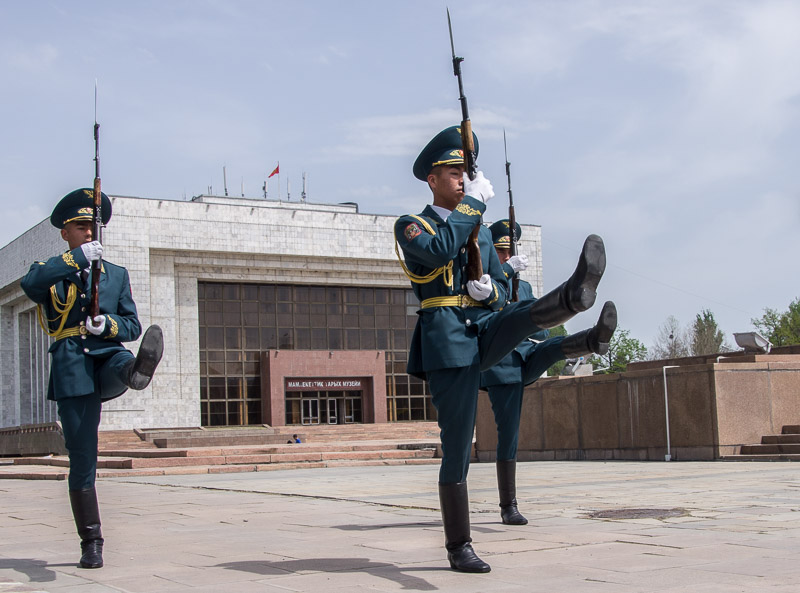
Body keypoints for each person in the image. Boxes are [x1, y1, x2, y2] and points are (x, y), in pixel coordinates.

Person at [394, 126, 612, 573]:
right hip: (447, 341)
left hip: (482, 330)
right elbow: (436, 252)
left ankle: (572, 296)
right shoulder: (412, 224)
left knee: (519, 314)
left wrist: (486, 288)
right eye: (453, 172)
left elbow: (495, 297)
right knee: (457, 445)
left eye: (464, 173)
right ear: (431, 179)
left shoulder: (479, 235)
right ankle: (459, 546)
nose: (461, 179)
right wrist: (474, 206)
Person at [20, 188, 164, 570]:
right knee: (83, 457)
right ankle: (92, 541)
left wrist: (108, 323)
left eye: (93, 227)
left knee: (121, 359)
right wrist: (73, 261)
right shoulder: (52, 271)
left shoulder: (115, 274)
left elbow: (131, 324)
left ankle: (136, 372)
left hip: (107, 355)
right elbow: (30, 286)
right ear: (66, 233)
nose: (89, 233)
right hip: (72, 366)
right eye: (81, 227)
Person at [481, 220, 616, 526]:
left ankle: (592, 338)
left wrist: (526, 304)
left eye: (508, 252)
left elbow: (539, 334)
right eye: (500, 252)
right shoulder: (486, 281)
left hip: (525, 355)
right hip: (500, 364)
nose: (505, 257)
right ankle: (508, 505)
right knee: (509, 435)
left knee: (554, 345)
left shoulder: (524, 286)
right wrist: (505, 276)